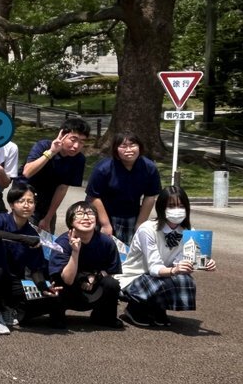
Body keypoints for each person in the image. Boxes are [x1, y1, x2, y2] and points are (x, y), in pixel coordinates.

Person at [117, 185, 215, 328]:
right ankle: (135, 308)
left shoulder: (188, 231)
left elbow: (184, 262)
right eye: (171, 206)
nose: (177, 210)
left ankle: (158, 307)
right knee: (163, 281)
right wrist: (174, 270)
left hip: (163, 275)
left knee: (186, 280)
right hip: (136, 275)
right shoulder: (147, 229)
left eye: (181, 206)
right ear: (161, 207)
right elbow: (154, 268)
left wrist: (204, 263)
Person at [0, 183, 55, 331]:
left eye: (30, 202)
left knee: (53, 299)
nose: (26, 205)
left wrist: (43, 287)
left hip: (13, 282)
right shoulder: (1, 219)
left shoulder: (32, 234)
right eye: (21, 201)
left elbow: (35, 269)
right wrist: (21, 238)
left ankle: (11, 309)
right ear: (12, 205)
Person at [47, 201, 124, 329]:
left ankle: (104, 317)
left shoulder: (106, 242)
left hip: (93, 286)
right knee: (58, 282)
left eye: (90, 213)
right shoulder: (62, 243)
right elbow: (67, 279)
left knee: (112, 283)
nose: (86, 217)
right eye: (79, 214)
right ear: (71, 221)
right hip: (69, 288)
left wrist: (95, 277)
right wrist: (75, 252)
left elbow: (111, 270)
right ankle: (57, 316)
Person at [85, 131, 161, 245]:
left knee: (127, 251)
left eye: (132, 145)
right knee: (100, 248)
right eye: (123, 146)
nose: (128, 150)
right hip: (102, 213)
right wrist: (105, 224)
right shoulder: (103, 168)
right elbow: (93, 196)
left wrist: (140, 224)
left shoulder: (149, 167)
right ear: (116, 149)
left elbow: (150, 196)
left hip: (130, 214)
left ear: (139, 147)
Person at [20, 117, 90, 233]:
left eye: (82, 142)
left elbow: (62, 189)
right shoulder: (43, 146)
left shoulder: (79, 159)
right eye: (73, 140)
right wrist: (51, 152)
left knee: (46, 236)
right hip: (24, 197)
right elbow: (27, 172)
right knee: (25, 237)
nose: (76, 146)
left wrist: (48, 218)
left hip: (47, 203)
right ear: (62, 135)